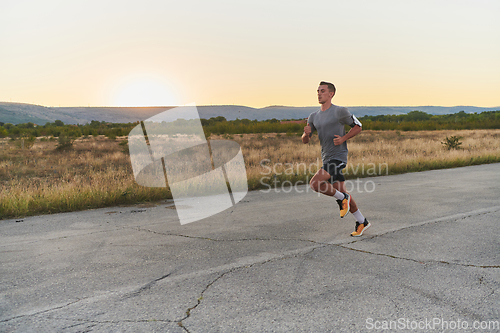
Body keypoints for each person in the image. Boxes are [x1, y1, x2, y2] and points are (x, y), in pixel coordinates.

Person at [302, 81, 370, 237]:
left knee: (315, 183)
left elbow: (358, 126)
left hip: (338, 157)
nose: (319, 93)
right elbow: (305, 140)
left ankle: (342, 199)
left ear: (331, 94)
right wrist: (306, 134)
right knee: (340, 191)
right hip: (326, 158)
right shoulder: (313, 116)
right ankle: (362, 221)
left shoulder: (340, 111)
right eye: (318, 91)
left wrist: (344, 138)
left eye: (323, 91)